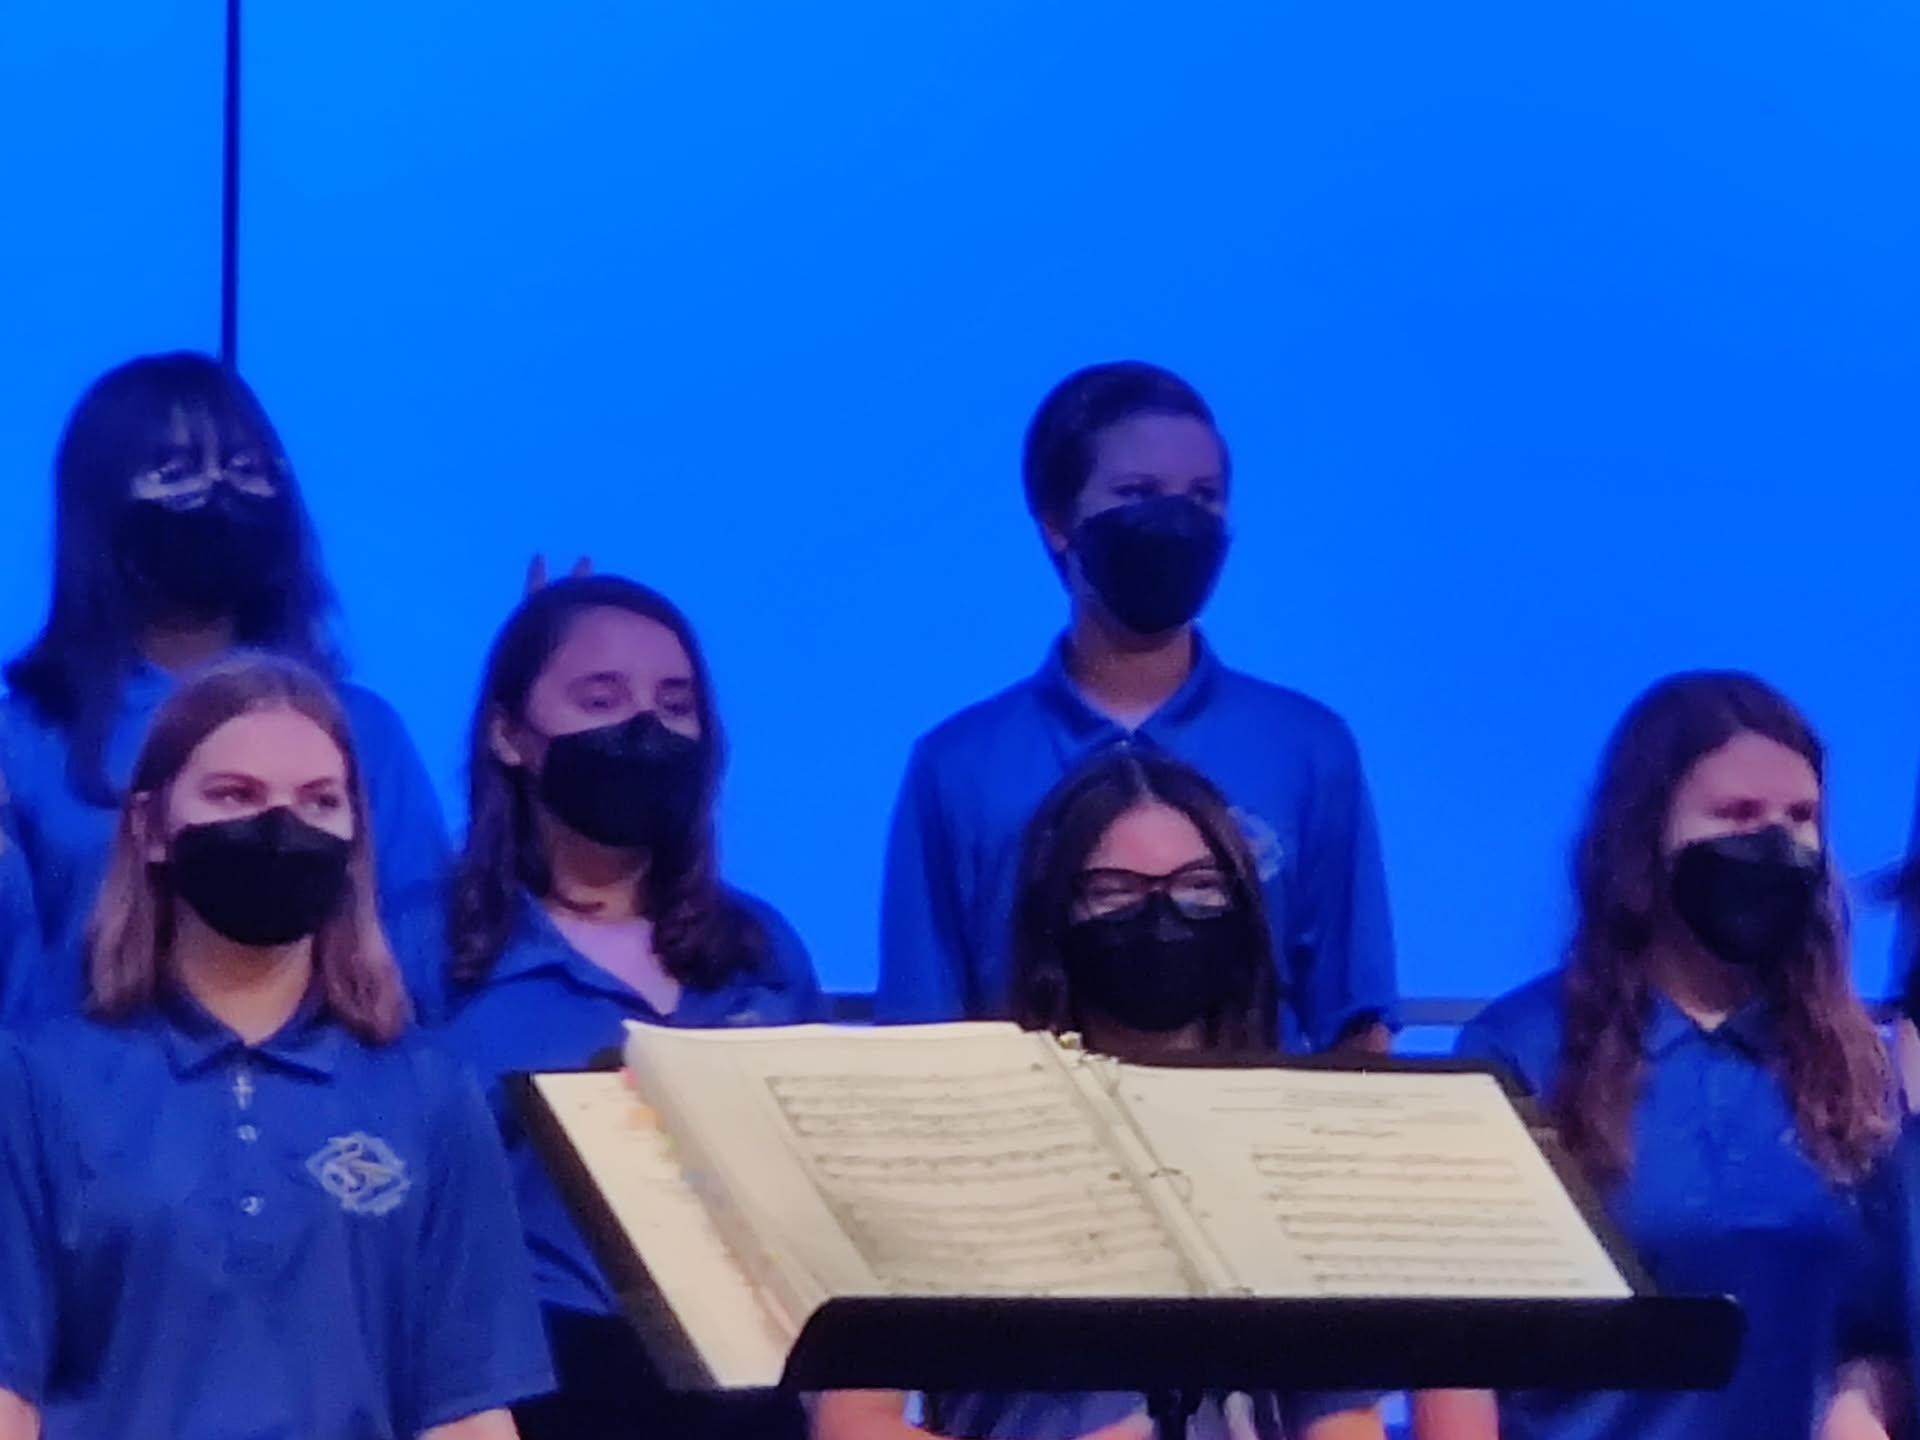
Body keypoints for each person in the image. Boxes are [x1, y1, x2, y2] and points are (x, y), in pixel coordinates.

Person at [0, 653, 551, 1439]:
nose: (280, 827)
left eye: (319, 801)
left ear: (354, 835)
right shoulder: (37, 1082)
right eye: (235, 795)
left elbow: (466, 1413)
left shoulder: (430, 1094)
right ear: (151, 827)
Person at [820, 748, 1389, 1440]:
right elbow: (853, 1422)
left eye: (1198, 886)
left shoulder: (1291, 1141)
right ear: (1055, 916)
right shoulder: (960, 1137)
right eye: (1116, 891)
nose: (1161, 915)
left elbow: (1342, 1415)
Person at [403, 573, 821, 1440]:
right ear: (508, 734)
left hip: (748, 1393)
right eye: (601, 698)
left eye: (675, 705)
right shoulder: (423, 949)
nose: (644, 727)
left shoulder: (762, 952)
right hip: (520, 1391)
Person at [878, 361, 1395, 1055]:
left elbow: (1356, 1024)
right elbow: (920, 1033)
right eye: (1138, 492)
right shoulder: (959, 766)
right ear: (1057, 522)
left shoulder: (1307, 748)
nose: (1177, 522)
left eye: (1204, 497)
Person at [1443, 670, 1897, 1440]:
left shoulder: (1854, 1068)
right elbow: (1457, 1341)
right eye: (1737, 815)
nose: (1774, 844)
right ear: (1646, 838)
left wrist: (1858, 1409)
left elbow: (1872, 1335)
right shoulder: (1521, 1048)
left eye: (1801, 818)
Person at [0, 352, 448, 1023]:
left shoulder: (365, 729)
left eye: (244, 469)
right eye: (177, 473)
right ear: (100, 507)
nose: (218, 496)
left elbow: (424, 972)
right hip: (75, 1084)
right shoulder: (23, 739)